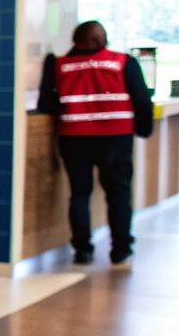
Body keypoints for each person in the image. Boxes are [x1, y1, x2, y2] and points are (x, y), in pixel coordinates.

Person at [38, 20, 154, 267]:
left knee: (80, 193)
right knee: (119, 193)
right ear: (102, 40)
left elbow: (46, 104)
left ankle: (83, 250)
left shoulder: (60, 64)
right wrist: (143, 130)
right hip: (116, 137)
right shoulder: (122, 62)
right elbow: (143, 100)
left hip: (74, 137)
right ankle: (121, 249)